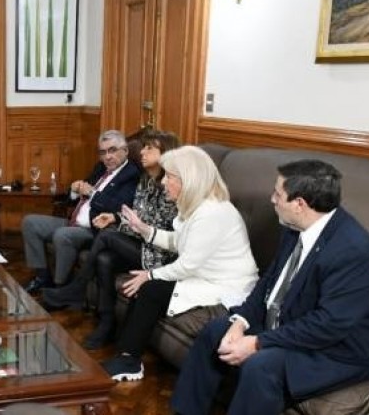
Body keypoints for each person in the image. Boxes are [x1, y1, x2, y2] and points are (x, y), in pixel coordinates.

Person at [170, 159, 369, 415]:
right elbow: (270, 282)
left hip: (338, 350)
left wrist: (258, 342)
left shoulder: (352, 251)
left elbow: (328, 325)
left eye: (278, 194)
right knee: (215, 331)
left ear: (299, 204)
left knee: (261, 366)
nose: (272, 199)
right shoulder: (295, 227)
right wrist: (240, 322)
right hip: (291, 324)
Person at [101, 145, 259, 381]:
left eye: (170, 176)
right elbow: (179, 241)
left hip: (227, 288)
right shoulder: (198, 207)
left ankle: (129, 360)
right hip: (205, 277)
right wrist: (144, 229)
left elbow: (187, 265)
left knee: (149, 288)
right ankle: (126, 355)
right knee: (146, 288)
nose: (164, 182)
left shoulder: (212, 213)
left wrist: (150, 274)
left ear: (189, 180)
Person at [41, 129, 180, 349]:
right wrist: (115, 218)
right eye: (143, 147)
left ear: (166, 153)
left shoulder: (172, 185)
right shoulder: (145, 180)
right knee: (104, 259)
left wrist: (125, 222)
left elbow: (157, 227)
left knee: (106, 236)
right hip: (142, 244)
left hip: (160, 254)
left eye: (148, 148)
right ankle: (106, 323)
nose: (141, 152)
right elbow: (138, 218)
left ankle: (77, 288)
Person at [22, 130, 141, 294]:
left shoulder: (131, 175)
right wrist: (74, 190)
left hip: (94, 229)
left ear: (125, 150)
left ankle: (60, 287)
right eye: (103, 152)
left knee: (63, 235)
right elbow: (76, 195)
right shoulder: (101, 167)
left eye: (112, 150)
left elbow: (118, 207)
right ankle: (42, 277)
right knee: (30, 222)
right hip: (74, 221)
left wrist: (92, 193)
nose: (107, 157)